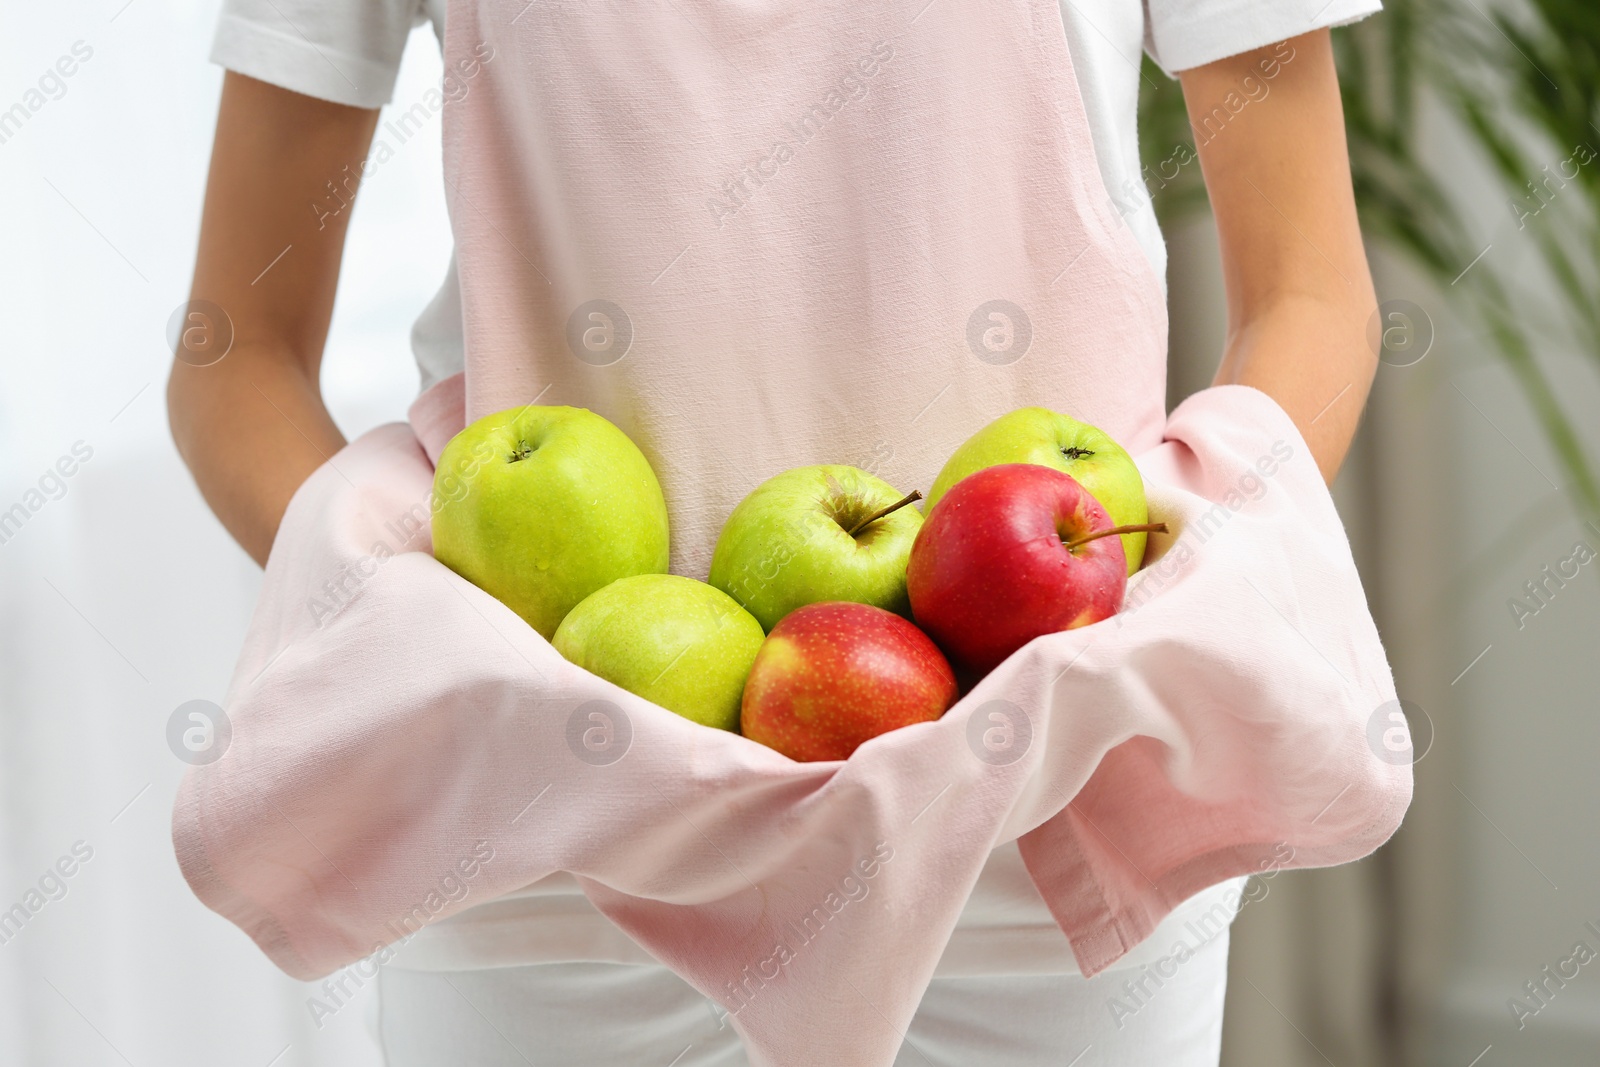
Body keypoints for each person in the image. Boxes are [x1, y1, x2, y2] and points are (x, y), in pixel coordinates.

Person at [169, 1, 1383, 1063]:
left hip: (1035, 820)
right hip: (547, 837)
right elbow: (239, 356)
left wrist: (1157, 609)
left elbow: (1308, 295)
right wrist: (428, 637)